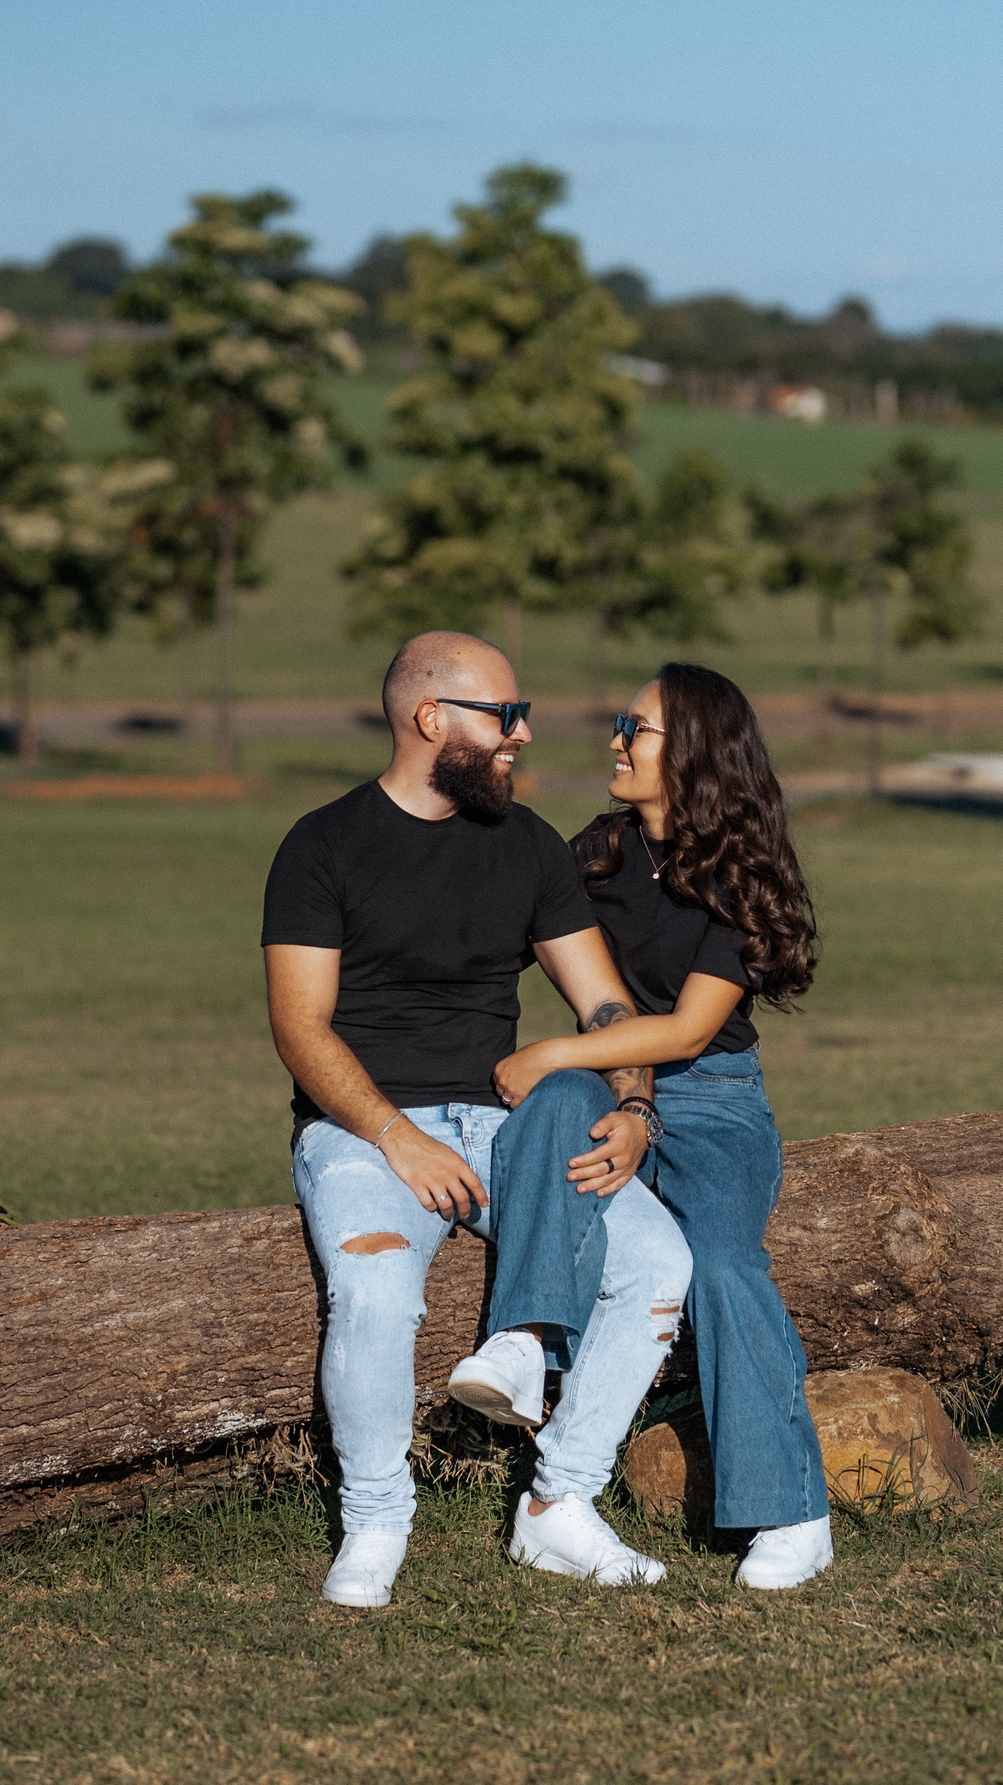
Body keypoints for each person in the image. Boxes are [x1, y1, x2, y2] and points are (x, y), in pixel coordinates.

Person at [262, 631, 692, 1608]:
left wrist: (632, 1106)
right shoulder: (320, 846)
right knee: (374, 1289)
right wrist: (394, 1135)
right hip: (365, 1130)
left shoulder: (530, 846)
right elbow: (300, 1027)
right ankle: (376, 1521)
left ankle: (559, 1505)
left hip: (510, 1128)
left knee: (659, 1265)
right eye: (504, 717)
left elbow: (606, 1009)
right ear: (431, 721)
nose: (523, 734)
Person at [463, 662, 832, 1591]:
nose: (616, 743)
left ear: (697, 755)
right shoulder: (597, 853)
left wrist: (552, 1055)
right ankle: (524, 1350)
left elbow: (688, 1030)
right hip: (605, 1079)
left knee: (720, 1262)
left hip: (709, 1094)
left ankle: (793, 1512)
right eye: (622, 725)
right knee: (556, 1131)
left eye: (639, 730)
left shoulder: (742, 875)